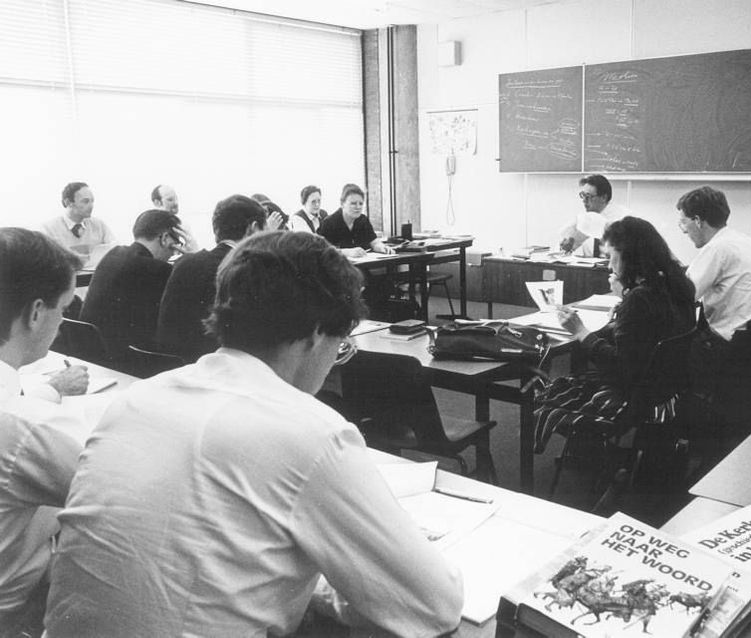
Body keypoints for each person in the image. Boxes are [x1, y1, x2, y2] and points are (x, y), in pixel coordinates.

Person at [46, 231, 464, 637]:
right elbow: (435, 607)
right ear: (318, 333)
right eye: (338, 346)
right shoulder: (311, 432)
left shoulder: (137, 399)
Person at [534, 216, 696, 453]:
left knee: (547, 392)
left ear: (630, 256)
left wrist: (580, 331)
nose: (609, 265)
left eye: (611, 257)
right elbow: (646, 340)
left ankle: (583, 454)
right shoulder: (678, 285)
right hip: (666, 394)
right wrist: (627, 296)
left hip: (632, 400)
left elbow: (620, 365)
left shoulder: (639, 299)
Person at [0, 228, 87, 637]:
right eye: (64, 309)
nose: (62, 322)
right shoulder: (28, 428)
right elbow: (117, 492)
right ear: (36, 313)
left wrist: (48, 391)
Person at [157, 195, 268, 361]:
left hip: (177, 368)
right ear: (253, 228)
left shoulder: (184, 263)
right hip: (224, 374)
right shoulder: (249, 271)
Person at [79, 209, 184, 362]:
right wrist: (190, 258)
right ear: (165, 238)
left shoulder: (113, 254)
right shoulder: (158, 269)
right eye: (176, 244)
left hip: (91, 350)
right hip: (126, 360)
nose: (174, 252)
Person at [677, 185, 751, 341]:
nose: (683, 230)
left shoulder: (717, 248)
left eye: (683, 223)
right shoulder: (742, 240)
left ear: (697, 221)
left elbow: (682, 297)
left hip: (734, 345)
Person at [40, 182, 116, 262]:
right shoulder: (49, 229)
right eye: (85, 201)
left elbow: (115, 250)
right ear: (68, 203)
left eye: (92, 201)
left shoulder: (99, 225)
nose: (91, 206)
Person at [559, 174, 627, 257]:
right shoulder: (583, 218)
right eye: (583, 195)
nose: (584, 201)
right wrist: (568, 246)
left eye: (588, 197)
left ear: (603, 198)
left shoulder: (623, 219)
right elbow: (562, 248)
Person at [318, 183, 394, 256]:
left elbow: (373, 242)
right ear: (342, 204)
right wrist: (347, 252)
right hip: (337, 267)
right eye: (353, 203)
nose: (358, 207)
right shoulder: (329, 222)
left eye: (361, 203)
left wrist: (382, 247)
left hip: (363, 265)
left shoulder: (363, 220)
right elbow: (323, 250)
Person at [151, 183, 201, 252]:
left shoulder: (183, 225)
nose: (176, 203)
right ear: (157, 203)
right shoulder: (150, 227)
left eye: (176, 198)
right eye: (170, 200)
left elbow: (195, 251)